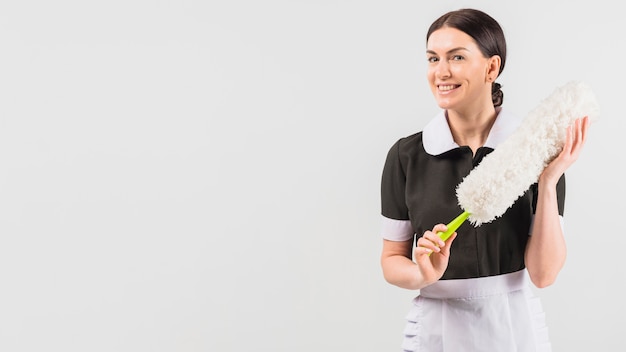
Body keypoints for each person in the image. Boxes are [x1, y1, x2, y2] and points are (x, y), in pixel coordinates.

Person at [379, 8, 589, 352]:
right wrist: (423, 273)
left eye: (457, 57)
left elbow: (544, 274)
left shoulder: (536, 152)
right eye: (433, 58)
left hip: (513, 326)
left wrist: (549, 181)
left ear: (492, 67)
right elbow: (391, 260)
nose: (441, 72)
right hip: (437, 327)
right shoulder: (407, 156)